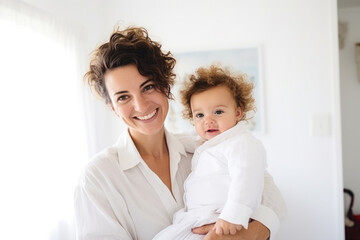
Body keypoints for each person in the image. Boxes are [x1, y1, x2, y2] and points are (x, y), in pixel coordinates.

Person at [74, 26, 286, 240]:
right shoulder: (97, 179)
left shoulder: (205, 146)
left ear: (165, 86)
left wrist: (251, 233)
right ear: (112, 107)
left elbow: (272, 198)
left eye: (148, 87)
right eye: (123, 97)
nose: (141, 105)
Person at [153, 65, 267, 240]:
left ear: (238, 113)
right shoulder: (209, 143)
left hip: (222, 218)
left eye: (218, 112)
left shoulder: (241, 142)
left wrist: (234, 214)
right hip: (195, 218)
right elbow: (179, 141)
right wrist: (155, 137)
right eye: (199, 115)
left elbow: (247, 178)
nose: (208, 121)